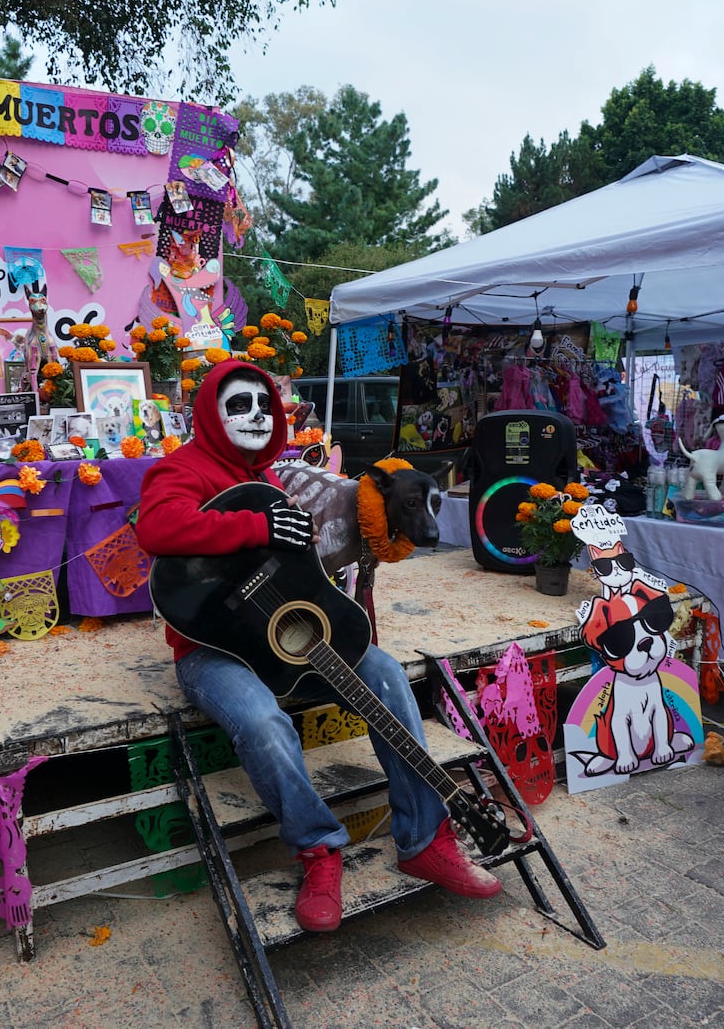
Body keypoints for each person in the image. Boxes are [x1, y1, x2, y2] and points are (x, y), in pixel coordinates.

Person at [135, 361, 501, 934]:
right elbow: (157, 528)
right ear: (210, 411)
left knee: (386, 675)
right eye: (238, 405)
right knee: (261, 721)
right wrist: (255, 528)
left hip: (285, 638)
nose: (256, 416)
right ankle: (319, 849)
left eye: (265, 406)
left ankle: (425, 837)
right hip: (211, 649)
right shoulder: (180, 469)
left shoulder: (273, 478)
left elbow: (292, 568)